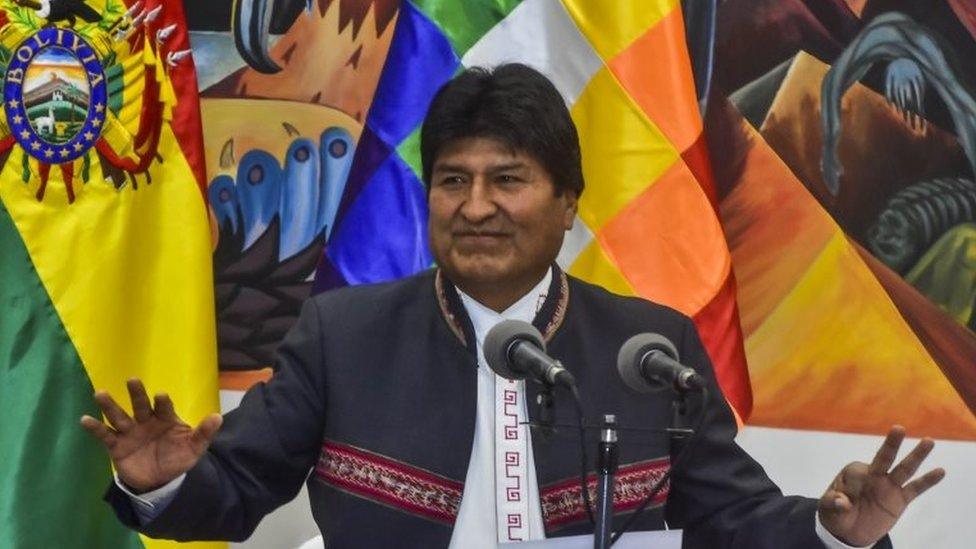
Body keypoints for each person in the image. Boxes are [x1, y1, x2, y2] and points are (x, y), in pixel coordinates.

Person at [82, 64, 944, 548]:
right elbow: (233, 492)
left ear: (568, 201)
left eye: (508, 180)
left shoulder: (649, 346)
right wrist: (161, 484)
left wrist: (838, 532)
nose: (477, 205)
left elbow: (732, 516)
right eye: (453, 180)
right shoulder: (341, 335)